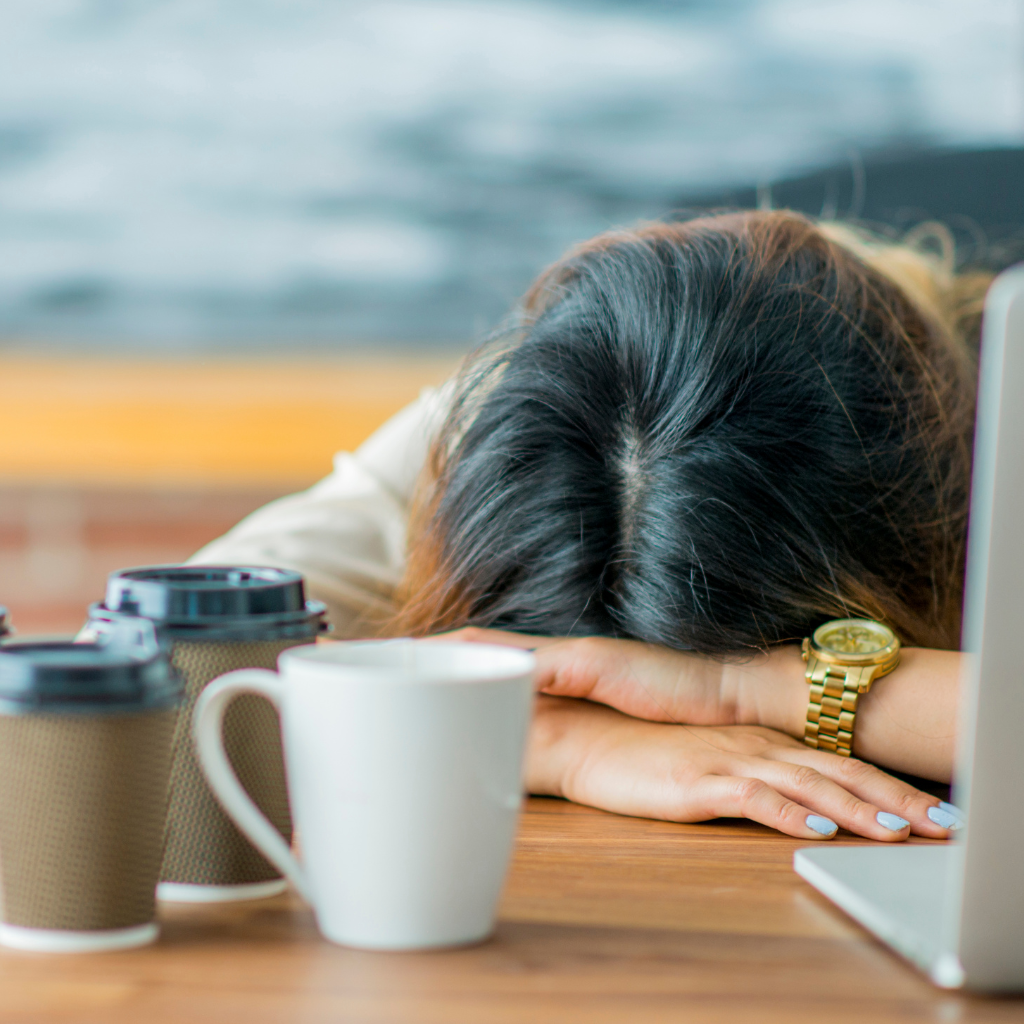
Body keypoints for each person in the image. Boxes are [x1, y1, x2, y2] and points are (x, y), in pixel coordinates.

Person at [191, 210, 990, 844]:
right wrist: (555, 741)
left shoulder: (987, 421)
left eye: (637, 702)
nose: (648, 717)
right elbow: (153, 667)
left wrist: (740, 689)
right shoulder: (516, 419)